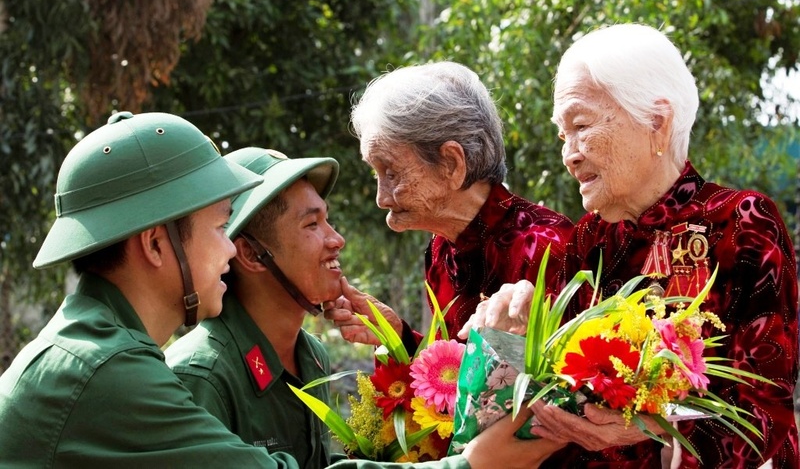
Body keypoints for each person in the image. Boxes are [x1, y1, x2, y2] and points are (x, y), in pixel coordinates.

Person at [0, 111, 559, 469]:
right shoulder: (112, 372)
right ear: (153, 245)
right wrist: (475, 466)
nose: (227, 248)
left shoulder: (105, 349)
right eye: (220, 228)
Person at [465, 23, 800, 468]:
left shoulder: (741, 222)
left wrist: (658, 427)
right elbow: (559, 392)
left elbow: (763, 411)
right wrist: (516, 334)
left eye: (581, 125)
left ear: (656, 124)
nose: (569, 153)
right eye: (563, 134)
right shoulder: (589, 241)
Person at [324, 61, 573, 350]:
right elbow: (457, 372)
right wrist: (396, 335)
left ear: (451, 163)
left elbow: (554, 388)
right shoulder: (443, 251)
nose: (381, 198)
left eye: (391, 173)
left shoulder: (543, 248)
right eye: (375, 173)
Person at [166, 147, 346, 468]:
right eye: (312, 225)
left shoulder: (313, 356)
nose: (336, 239)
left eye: (327, 220)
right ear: (250, 254)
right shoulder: (203, 376)